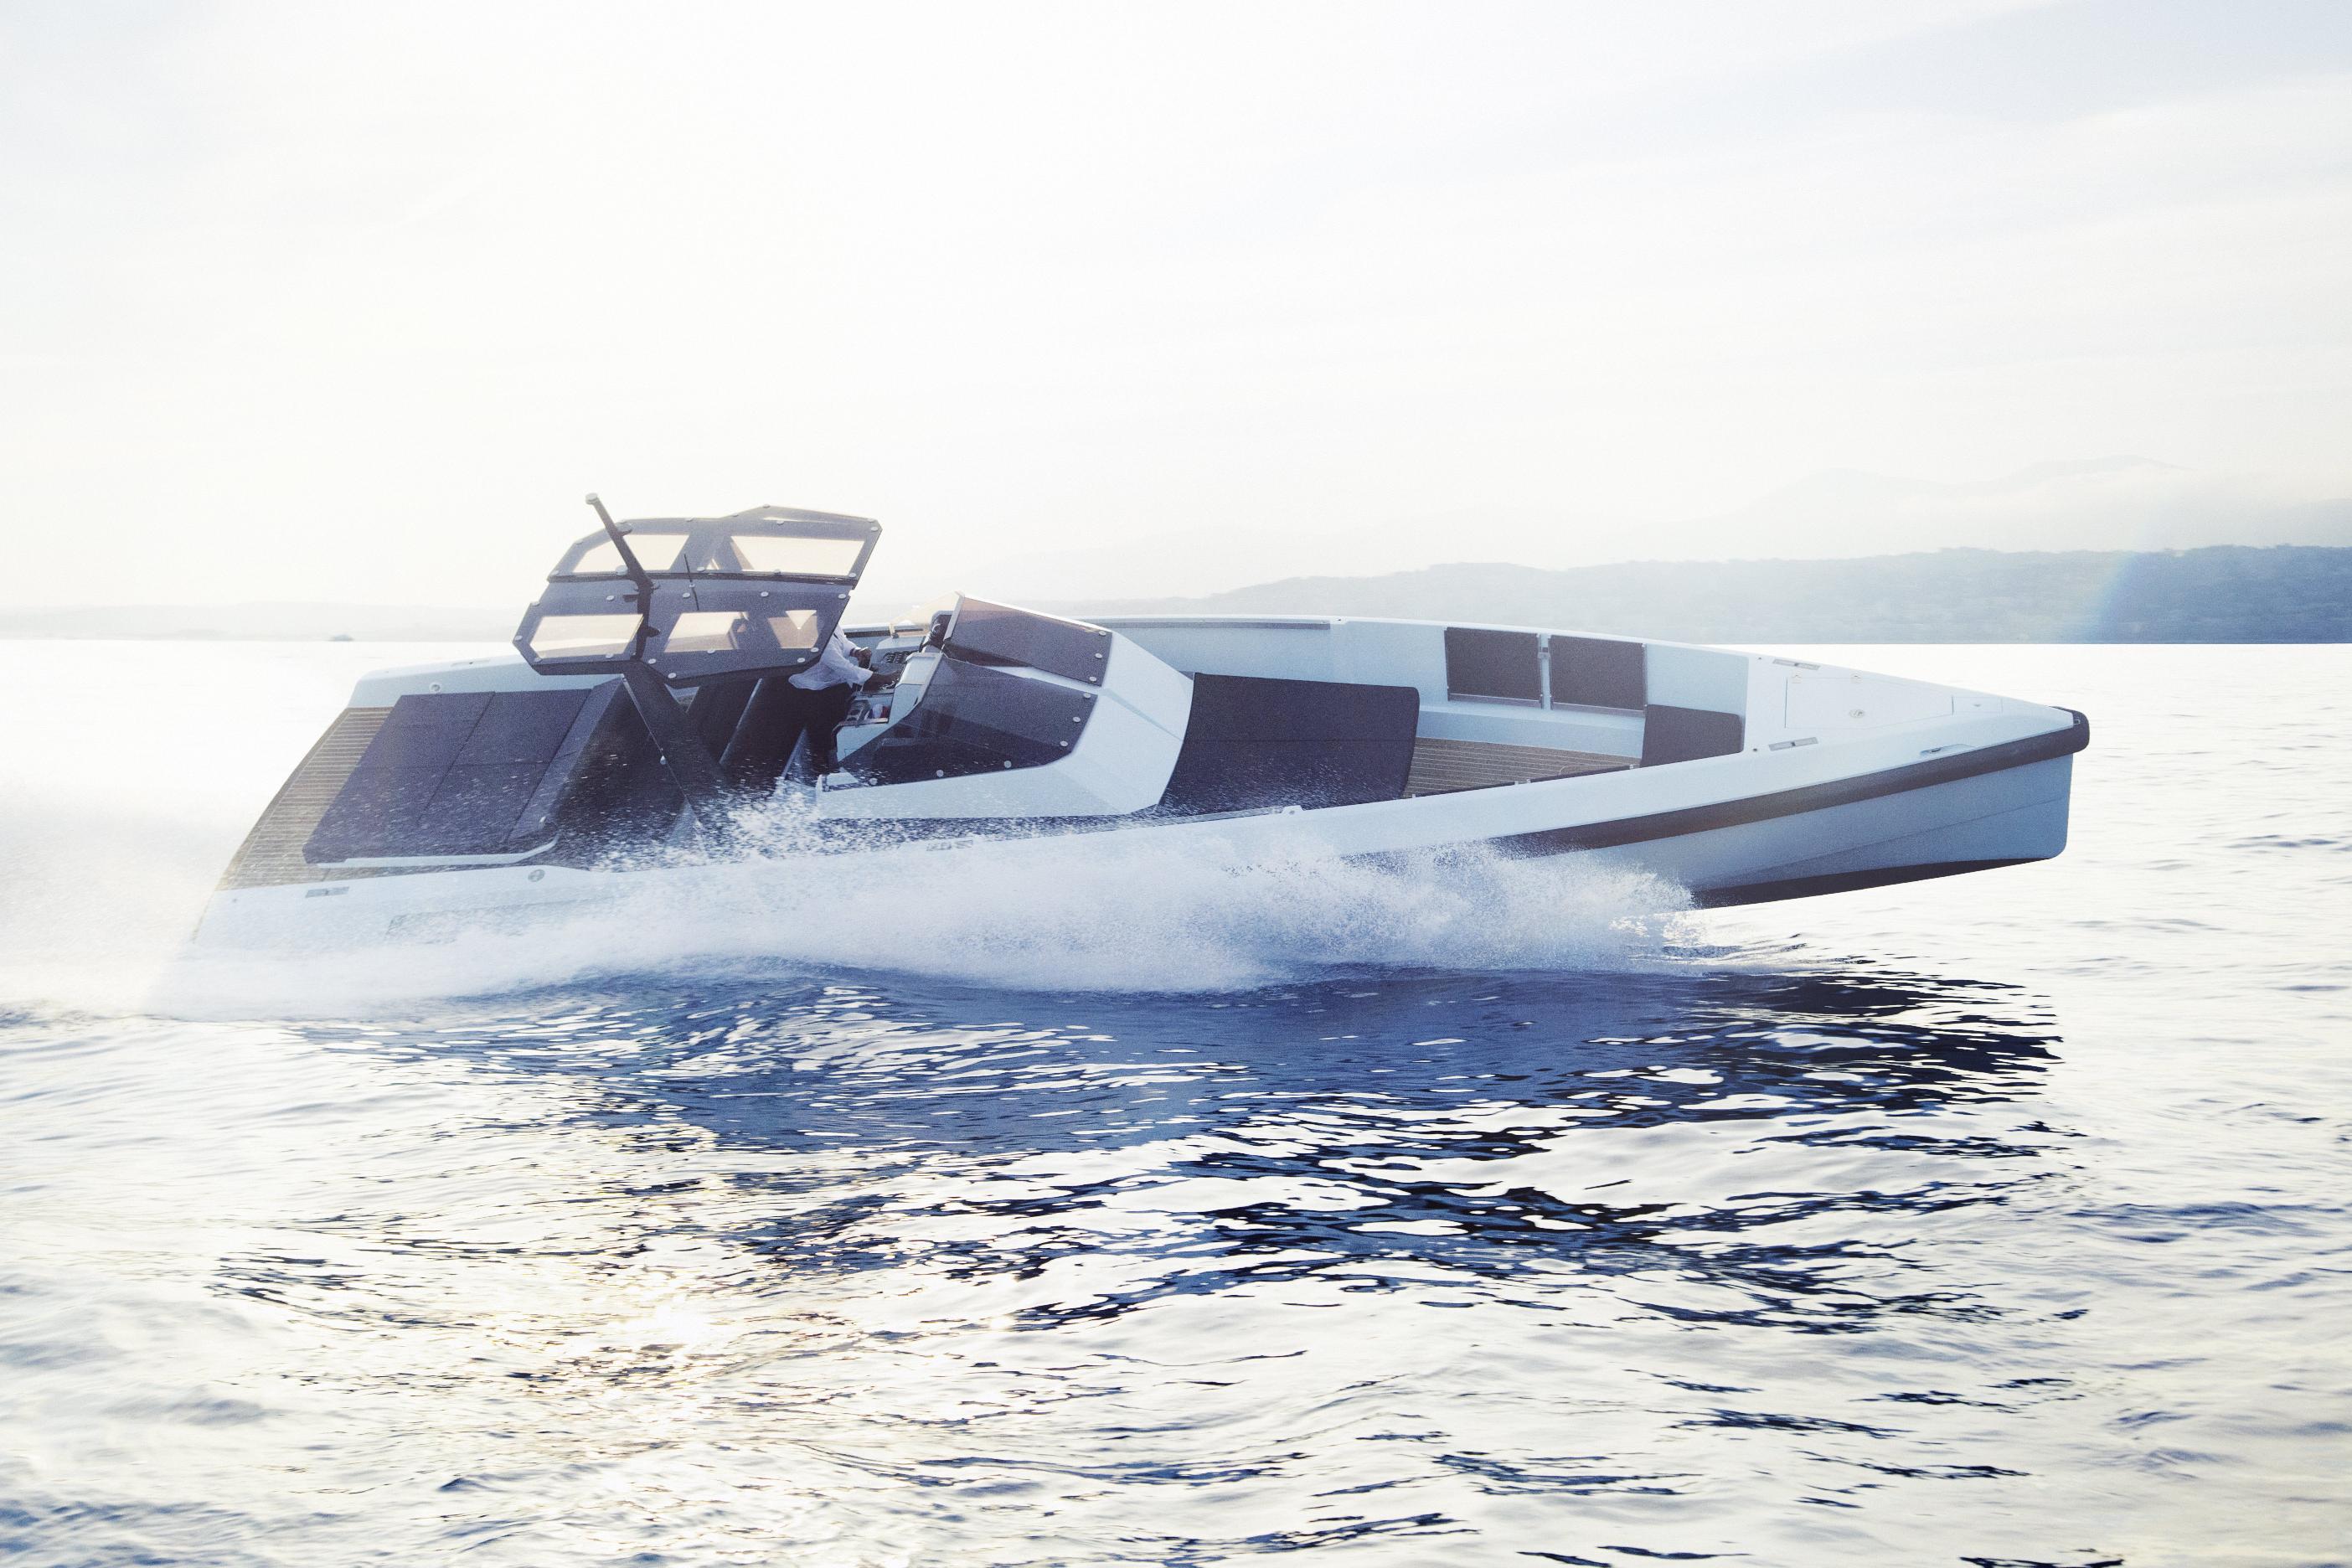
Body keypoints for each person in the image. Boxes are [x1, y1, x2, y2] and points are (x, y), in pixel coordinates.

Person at [782, 628, 879, 776]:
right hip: (814, 691)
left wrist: (855, 651)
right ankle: (826, 775)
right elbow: (847, 669)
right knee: (823, 737)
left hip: (835, 684)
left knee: (844, 724)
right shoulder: (813, 634)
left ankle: (843, 764)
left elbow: (841, 641)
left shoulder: (830, 624)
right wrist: (885, 678)